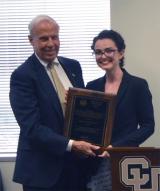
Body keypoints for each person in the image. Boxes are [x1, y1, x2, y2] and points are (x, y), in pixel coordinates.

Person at [9, 15, 100, 191]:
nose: (51, 43)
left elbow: (81, 112)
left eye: (54, 37)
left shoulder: (73, 66)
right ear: (31, 41)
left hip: (76, 169)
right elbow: (32, 128)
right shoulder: (22, 76)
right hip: (42, 172)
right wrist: (72, 145)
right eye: (44, 38)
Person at [85, 29, 155, 191]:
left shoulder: (138, 86)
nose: (103, 56)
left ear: (121, 53)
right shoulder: (91, 87)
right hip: (95, 163)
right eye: (98, 52)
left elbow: (148, 126)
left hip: (125, 160)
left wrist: (116, 148)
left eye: (109, 50)